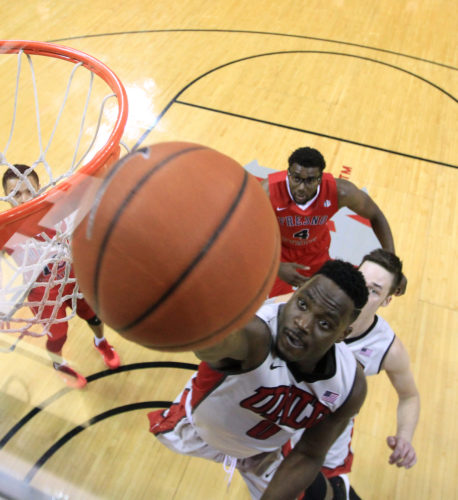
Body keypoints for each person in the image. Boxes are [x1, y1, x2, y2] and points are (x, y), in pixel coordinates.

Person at [148, 260, 369, 500]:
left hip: (265, 452)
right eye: (303, 304)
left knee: (321, 495)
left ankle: (340, 491)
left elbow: (309, 454)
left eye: (325, 324)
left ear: (343, 335)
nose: (302, 324)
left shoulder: (349, 386)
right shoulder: (256, 335)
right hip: (201, 432)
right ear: (296, 291)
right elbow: (213, 343)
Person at [279, 249, 419, 499]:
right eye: (361, 280)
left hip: (326, 450)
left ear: (387, 300)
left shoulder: (387, 347)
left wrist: (404, 437)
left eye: (375, 290)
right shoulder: (311, 307)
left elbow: (409, 396)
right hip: (275, 432)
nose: (363, 293)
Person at [1, 164, 120, 388]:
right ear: (7, 198)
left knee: (93, 316)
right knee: (58, 336)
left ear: (40, 188)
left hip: (71, 276)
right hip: (41, 293)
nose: (24, 198)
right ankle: (58, 363)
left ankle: (101, 341)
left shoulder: (58, 207)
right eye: (16, 194)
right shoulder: (5, 230)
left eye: (29, 190)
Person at [261, 147, 405, 298]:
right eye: (296, 178)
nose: (301, 188)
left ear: (320, 179)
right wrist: (276, 266)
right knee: (270, 303)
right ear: (288, 174)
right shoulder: (267, 192)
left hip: (315, 250)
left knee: (336, 296)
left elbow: (376, 215)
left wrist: (393, 268)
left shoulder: (341, 192)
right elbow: (244, 235)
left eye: (310, 180)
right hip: (278, 251)